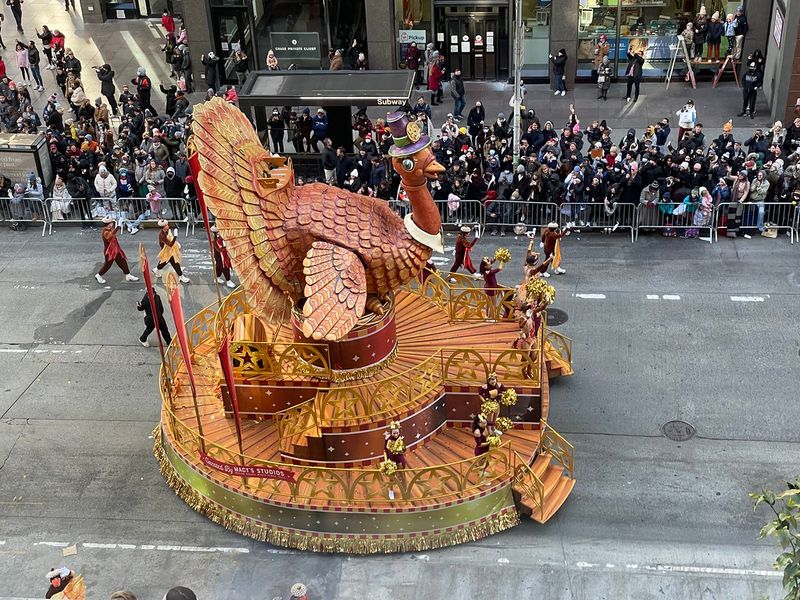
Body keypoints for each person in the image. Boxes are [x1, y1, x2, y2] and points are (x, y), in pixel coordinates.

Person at [95, 217, 139, 284]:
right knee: (107, 265)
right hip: (109, 252)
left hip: (115, 249)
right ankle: (98, 275)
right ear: (109, 224)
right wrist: (118, 225)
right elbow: (111, 234)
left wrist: (119, 225)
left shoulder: (109, 229)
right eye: (111, 222)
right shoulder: (105, 232)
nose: (112, 223)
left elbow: (114, 231)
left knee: (122, 261)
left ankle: (128, 275)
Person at [383, 420, 406, 500]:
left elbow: (404, 449)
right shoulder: (388, 439)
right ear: (391, 432)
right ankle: (391, 490)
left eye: (397, 433)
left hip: (400, 460)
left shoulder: (401, 439)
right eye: (394, 433)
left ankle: (404, 490)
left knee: (402, 476)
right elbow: (385, 451)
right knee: (391, 477)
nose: (396, 435)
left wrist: (400, 449)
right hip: (391, 461)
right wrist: (386, 461)